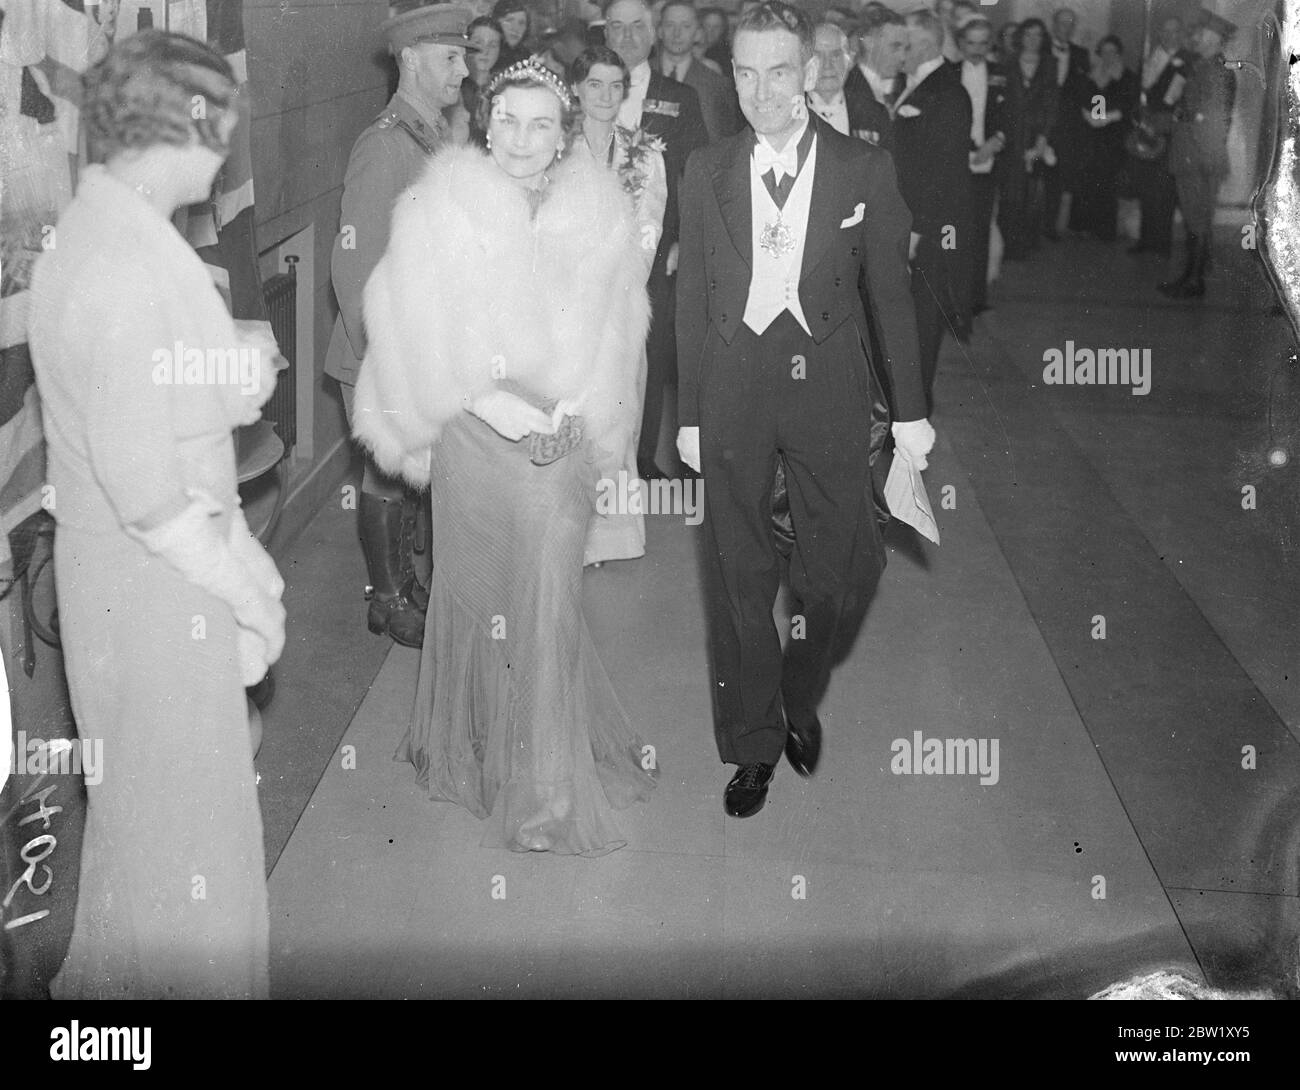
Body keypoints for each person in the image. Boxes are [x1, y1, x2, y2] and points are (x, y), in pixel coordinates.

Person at [29, 29, 282, 998]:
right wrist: (251, 595)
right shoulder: (124, 264)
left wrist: (229, 374)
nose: (226, 149)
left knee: (145, 833)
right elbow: (147, 491)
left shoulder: (113, 229)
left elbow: (138, 392)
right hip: (154, 594)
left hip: (133, 589)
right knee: (191, 851)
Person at [354, 59, 658, 855]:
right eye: (510, 121)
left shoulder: (599, 213)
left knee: (548, 604)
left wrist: (577, 414)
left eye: (543, 125)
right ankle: (490, 749)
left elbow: (621, 332)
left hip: (560, 448)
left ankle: (549, 793)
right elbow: (409, 327)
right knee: (486, 599)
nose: (524, 140)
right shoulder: (435, 206)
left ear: (565, 136)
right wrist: (500, 409)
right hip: (474, 437)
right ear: (487, 122)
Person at [675, 2, 933, 818]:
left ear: (812, 71)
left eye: (778, 70)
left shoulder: (863, 169)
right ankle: (752, 743)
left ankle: (801, 686)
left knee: (842, 572)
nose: (760, 91)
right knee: (738, 577)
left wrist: (913, 412)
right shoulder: (706, 168)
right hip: (734, 390)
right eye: (745, 72)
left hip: (829, 387)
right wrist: (687, 413)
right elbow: (690, 297)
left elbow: (891, 296)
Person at [324, 4, 476, 648]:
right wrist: (384, 362)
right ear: (411, 60)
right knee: (384, 474)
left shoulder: (432, 134)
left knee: (409, 469)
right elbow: (352, 262)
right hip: (380, 350)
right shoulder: (386, 142)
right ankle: (385, 598)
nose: (463, 70)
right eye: (451, 58)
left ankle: (403, 584)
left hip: (420, 346)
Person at [568, 44, 668, 564]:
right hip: (564, 313)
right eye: (594, 85)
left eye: (614, 86)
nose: (604, 96)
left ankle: (611, 537)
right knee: (572, 418)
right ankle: (570, 538)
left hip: (622, 305)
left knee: (618, 417)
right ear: (576, 89)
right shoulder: (555, 148)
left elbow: (649, 231)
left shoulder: (644, 153)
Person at [604, 0, 708, 480]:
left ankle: (642, 459)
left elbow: (698, 174)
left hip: (656, 253)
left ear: (653, 35)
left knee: (650, 349)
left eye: (636, 28)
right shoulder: (586, 92)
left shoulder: (679, 97)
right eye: (617, 28)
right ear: (605, 34)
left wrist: (683, 241)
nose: (626, 38)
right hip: (598, 251)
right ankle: (601, 456)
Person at [893, 6, 973, 414]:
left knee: (923, 318)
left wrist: (919, 229)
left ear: (924, 44)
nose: (896, 51)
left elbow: (944, 170)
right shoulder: (907, 85)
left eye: (902, 43)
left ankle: (915, 408)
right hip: (907, 224)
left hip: (926, 229)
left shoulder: (948, 92)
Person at [1159, 10, 1236, 299]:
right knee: (1195, 219)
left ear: (1214, 39)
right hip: (1191, 154)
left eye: (1201, 34)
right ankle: (1192, 275)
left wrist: (1176, 116)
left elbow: (1213, 117)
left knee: (1198, 219)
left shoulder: (1219, 71)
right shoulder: (1201, 66)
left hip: (1201, 157)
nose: (1195, 38)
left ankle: (1194, 280)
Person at [955, 12, 1007, 315]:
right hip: (957, 160)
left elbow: (1011, 116)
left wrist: (994, 142)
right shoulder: (948, 73)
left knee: (980, 230)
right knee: (954, 230)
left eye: (983, 43)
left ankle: (975, 297)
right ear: (961, 43)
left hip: (988, 158)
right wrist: (966, 148)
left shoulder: (1001, 74)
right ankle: (952, 294)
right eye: (971, 43)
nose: (976, 49)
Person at [1129, 16, 1192, 257]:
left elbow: (1180, 100)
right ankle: (1145, 240)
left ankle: (1161, 244)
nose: (1169, 36)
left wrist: (1163, 123)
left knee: (1165, 190)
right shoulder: (1151, 57)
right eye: (1165, 31)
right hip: (1146, 128)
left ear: (1181, 34)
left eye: (1174, 31)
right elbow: (1141, 91)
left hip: (1168, 132)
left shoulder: (1187, 60)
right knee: (1146, 186)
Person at [996, 17, 1057, 260]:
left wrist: (1043, 138)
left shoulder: (1049, 64)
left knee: (1032, 192)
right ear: (1021, 36)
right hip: (1011, 135)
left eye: (1038, 35)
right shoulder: (1007, 62)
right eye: (1029, 34)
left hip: (1036, 134)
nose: (1033, 39)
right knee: (1011, 191)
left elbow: (1052, 103)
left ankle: (1027, 242)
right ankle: (1009, 244)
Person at [1066, 35, 1137, 241]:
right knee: (1088, 180)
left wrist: (1108, 118)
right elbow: (1087, 99)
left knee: (1107, 183)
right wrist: (1089, 115)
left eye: (1112, 51)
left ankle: (1104, 230)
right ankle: (1082, 226)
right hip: (1092, 135)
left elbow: (1129, 105)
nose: (1108, 55)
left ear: (1118, 53)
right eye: (1104, 51)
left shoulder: (1127, 77)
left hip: (1114, 137)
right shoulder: (1093, 75)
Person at [657, 0, 742, 141]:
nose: (677, 33)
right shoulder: (639, 75)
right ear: (659, 31)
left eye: (686, 26)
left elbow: (721, 141)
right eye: (670, 25)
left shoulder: (716, 84)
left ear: (698, 33)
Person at [1043, 7, 1090, 240]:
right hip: (1039, 122)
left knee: (1057, 177)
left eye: (1071, 24)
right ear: (1053, 25)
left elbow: (1089, 92)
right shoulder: (1040, 49)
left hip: (1066, 127)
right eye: (1062, 23)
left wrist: (1099, 114)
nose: (1067, 28)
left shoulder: (1081, 55)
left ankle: (1049, 227)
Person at [843, 5, 907, 151]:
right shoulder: (849, 89)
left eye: (905, 48)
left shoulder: (904, 87)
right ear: (869, 42)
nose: (903, 57)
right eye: (895, 47)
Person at [455, 15, 503, 146]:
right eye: (478, 43)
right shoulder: (454, 86)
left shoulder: (503, 89)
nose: (485, 51)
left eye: (493, 45)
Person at [492, 0, 532, 68]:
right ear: (497, 21)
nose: (515, 28)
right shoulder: (487, 53)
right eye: (509, 20)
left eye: (521, 23)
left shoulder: (528, 61)